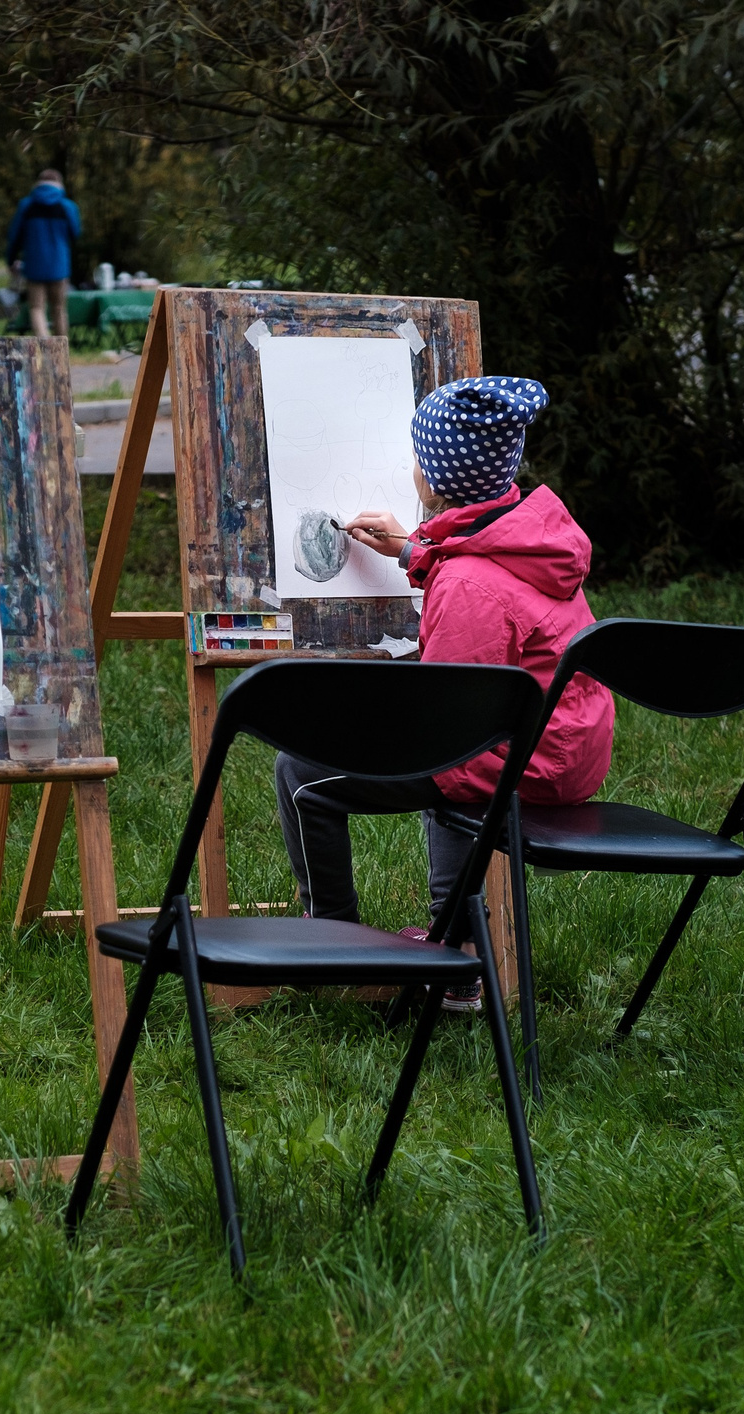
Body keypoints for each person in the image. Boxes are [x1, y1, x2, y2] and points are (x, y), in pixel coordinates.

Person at [272, 376, 613, 1001]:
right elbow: (481, 568)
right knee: (455, 752)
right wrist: (412, 549)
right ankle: (453, 943)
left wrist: (362, 712)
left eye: (419, 456)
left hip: (523, 757)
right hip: (563, 744)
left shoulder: (468, 585)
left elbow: (449, 722)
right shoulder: (529, 536)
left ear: (433, 474)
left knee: (303, 773)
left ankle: (329, 945)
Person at [5, 169, 81, 338]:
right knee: (59, 308)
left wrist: (11, 259)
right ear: (59, 184)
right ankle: (62, 351)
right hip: (59, 264)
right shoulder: (68, 206)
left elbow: (14, 236)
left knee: (36, 308)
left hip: (34, 264)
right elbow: (75, 233)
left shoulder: (26, 205)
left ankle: (45, 349)